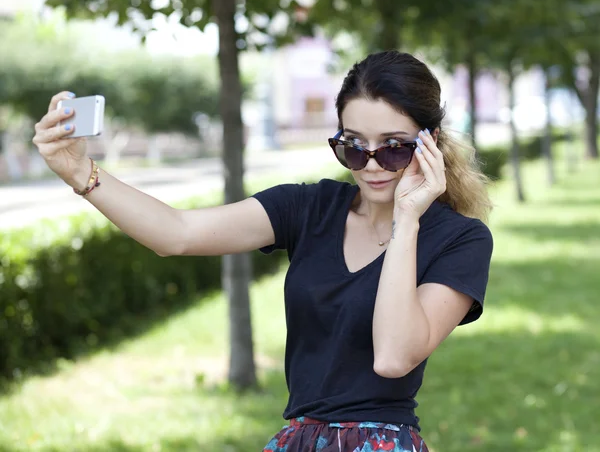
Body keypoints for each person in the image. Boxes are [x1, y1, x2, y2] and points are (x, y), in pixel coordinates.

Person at [33, 50, 493, 452]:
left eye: (394, 149)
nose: (371, 165)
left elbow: (393, 357)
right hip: (299, 439)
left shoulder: (458, 240)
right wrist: (81, 172)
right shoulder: (309, 208)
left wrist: (407, 219)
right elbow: (177, 233)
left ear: (430, 143)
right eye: (353, 147)